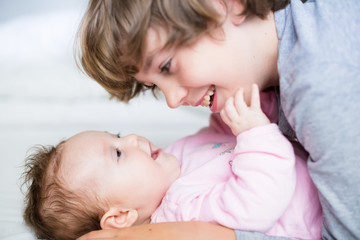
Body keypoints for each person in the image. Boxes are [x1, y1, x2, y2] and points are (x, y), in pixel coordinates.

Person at [76, 0, 360, 239]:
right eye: (154, 86)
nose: (173, 101)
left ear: (222, 5)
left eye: (166, 66)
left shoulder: (322, 88)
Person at [22, 86, 321, 240]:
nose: (133, 139)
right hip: (321, 214)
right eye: (118, 153)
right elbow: (256, 204)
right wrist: (254, 133)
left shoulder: (172, 157)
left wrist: (234, 110)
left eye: (118, 136)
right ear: (121, 217)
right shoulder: (180, 214)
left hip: (317, 155)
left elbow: (216, 136)